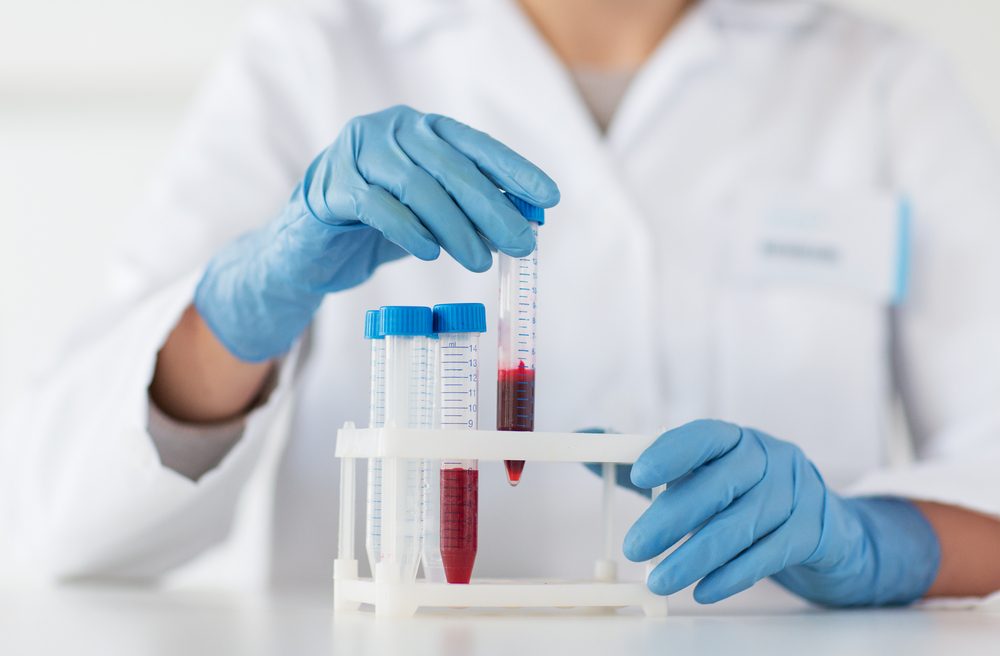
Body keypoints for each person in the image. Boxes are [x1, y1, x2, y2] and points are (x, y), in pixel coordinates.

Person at [7, 0, 1000, 604]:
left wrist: (882, 545)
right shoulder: (310, 55)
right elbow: (77, 521)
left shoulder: (881, 81)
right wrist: (244, 306)